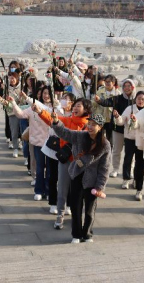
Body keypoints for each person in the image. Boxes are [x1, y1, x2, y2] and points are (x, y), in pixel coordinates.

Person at [49, 112, 112, 243]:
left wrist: (100, 186)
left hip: (93, 180)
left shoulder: (105, 144)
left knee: (90, 210)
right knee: (75, 207)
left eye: (93, 125)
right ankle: (76, 234)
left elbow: (104, 168)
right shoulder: (80, 136)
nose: (89, 126)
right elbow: (65, 133)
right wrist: (56, 122)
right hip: (77, 175)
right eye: (89, 124)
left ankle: (87, 233)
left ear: (100, 127)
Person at [38, 97, 90, 230]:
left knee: (78, 191)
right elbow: (52, 121)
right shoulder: (68, 120)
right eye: (75, 105)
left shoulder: (90, 126)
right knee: (62, 189)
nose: (75, 108)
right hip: (66, 160)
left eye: (79, 106)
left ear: (86, 109)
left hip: (81, 164)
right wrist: (40, 112)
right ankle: (60, 215)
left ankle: (77, 217)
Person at [95, 79, 136, 178]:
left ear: (133, 87)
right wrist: (99, 100)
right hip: (118, 128)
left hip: (132, 130)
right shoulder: (117, 98)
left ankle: (130, 170)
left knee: (131, 152)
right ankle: (115, 169)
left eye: (129, 86)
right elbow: (106, 102)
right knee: (117, 150)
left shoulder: (136, 99)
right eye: (125, 86)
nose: (127, 88)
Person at [114, 90, 144, 189]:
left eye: (142, 99)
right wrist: (117, 117)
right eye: (138, 99)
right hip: (130, 138)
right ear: (135, 99)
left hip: (141, 140)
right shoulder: (129, 109)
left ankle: (136, 180)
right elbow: (121, 122)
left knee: (139, 161)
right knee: (128, 159)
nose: (140, 101)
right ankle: (126, 179)